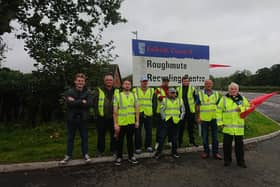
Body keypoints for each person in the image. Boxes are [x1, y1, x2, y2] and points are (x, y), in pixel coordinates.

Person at [60, 73, 92, 164]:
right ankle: (68, 155)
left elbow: (89, 104)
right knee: (70, 138)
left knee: (84, 138)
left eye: (82, 81)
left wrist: (75, 101)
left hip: (83, 119)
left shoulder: (88, 92)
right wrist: (82, 101)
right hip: (71, 119)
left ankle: (85, 154)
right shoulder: (69, 92)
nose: (80, 82)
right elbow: (69, 104)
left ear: (84, 82)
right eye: (78, 81)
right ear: (75, 81)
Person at [217, 82, 250, 168]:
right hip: (227, 127)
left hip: (239, 128)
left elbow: (249, 108)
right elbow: (218, 111)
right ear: (229, 90)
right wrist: (220, 123)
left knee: (239, 146)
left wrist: (241, 108)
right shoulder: (224, 99)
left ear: (238, 90)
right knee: (226, 145)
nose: (233, 90)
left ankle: (241, 161)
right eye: (231, 89)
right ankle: (227, 160)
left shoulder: (242, 98)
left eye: (235, 89)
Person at [113, 79, 140, 165]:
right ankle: (119, 157)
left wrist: (137, 121)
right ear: (122, 85)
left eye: (129, 84)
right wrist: (115, 124)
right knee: (120, 141)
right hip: (121, 123)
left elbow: (137, 109)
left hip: (131, 122)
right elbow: (115, 111)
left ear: (131, 86)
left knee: (130, 140)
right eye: (125, 84)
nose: (127, 85)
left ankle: (131, 156)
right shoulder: (118, 95)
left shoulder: (134, 95)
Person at [154, 87, 185, 159]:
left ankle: (174, 152)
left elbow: (183, 110)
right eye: (171, 93)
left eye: (174, 93)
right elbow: (161, 110)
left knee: (174, 138)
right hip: (166, 121)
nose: (173, 94)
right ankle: (158, 153)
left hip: (176, 121)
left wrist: (181, 118)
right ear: (168, 93)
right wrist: (164, 118)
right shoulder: (164, 100)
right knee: (162, 137)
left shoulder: (180, 100)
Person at [93, 73, 119, 156]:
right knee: (101, 135)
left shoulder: (117, 90)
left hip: (114, 117)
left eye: (110, 80)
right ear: (104, 81)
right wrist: (97, 114)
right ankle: (100, 151)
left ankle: (114, 150)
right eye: (107, 80)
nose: (109, 81)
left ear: (113, 81)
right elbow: (94, 103)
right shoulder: (99, 90)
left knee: (114, 135)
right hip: (101, 117)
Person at [196, 79, 222, 160]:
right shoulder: (200, 94)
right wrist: (198, 117)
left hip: (214, 118)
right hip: (204, 119)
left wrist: (220, 118)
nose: (208, 85)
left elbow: (220, 107)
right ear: (204, 85)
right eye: (207, 84)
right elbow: (197, 106)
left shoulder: (217, 94)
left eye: (210, 84)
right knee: (205, 137)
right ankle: (206, 152)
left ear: (212, 85)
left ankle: (216, 153)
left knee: (215, 137)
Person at [133, 75, 154, 154]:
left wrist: (153, 111)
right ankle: (138, 147)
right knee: (137, 131)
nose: (145, 83)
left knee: (149, 131)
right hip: (139, 113)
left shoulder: (152, 90)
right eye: (143, 81)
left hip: (149, 113)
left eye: (146, 81)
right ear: (140, 82)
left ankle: (148, 146)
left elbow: (154, 102)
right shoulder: (135, 90)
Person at [176, 75, 197, 147]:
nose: (186, 82)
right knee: (180, 128)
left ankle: (192, 142)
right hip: (181, 111)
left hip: (190, 111)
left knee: (191, 128)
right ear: (182, 82)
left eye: (187, 81)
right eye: (184, 81)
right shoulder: (178, 89)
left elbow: (196, 99)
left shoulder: (192, 89)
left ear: (189, 82)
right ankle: (179, 143)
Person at [154, 77, 170, 149]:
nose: (165, 83)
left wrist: (168, 97)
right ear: (162, 82)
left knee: (169, 127)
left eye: (166, 81)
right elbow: (160, 98)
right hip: (160, 112)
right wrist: (168, 97)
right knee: (159, 128)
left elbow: (174, 97)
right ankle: (157, 142)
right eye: (164, 81)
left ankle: (169, 142)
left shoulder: (170, 89)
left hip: (169, 112)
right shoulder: (158, 89)